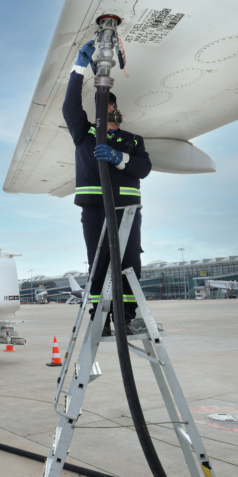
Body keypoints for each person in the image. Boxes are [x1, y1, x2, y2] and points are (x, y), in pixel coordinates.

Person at [64, 39, 152, 335]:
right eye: (103, 103)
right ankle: (99, 319)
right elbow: (70, 107)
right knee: (98, 263)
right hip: (95, 209)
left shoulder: (132, 140)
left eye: (110, 103)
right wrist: (78, 68)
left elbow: (144, 168)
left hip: (127, 211)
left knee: (128, 263)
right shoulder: (85, 134)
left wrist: (119, 158)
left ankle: (125, 317)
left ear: (116, 109)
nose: (106, 106)